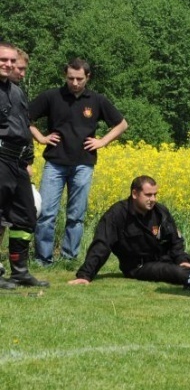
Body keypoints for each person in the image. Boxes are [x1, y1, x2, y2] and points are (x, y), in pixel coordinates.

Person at [28, 58, 129, 265]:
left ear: (88, 77)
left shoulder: (97, 100)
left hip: (83, 164)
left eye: (79, 79)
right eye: (70, 78)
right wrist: (40, 138)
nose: (74, 83)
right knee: (46, 213)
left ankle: (69, 258)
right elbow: (24, 117)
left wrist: (102, 141)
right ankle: (43, 259)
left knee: (76, 215)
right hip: (55, 163)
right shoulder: (52, 96)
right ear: (65, 76)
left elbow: (122, 124)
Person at [67, 176, 190, 287]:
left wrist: (181, 259)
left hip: (165, 258)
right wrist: (85, 275)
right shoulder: (117, 214)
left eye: (155, 195)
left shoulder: (160, 211)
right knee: (179, 273)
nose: (153, 199)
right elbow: (102, 244)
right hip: (140, 266)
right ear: (134, 194)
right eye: (148, 195)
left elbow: (175, 240)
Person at [0, 42, 49, 289]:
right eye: (3, 60)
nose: (9, 64)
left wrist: (28, 159)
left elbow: (24, 127)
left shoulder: (17, 91)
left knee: (26, 214)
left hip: (18, 162)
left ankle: (19, 271)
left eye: (12, 60)